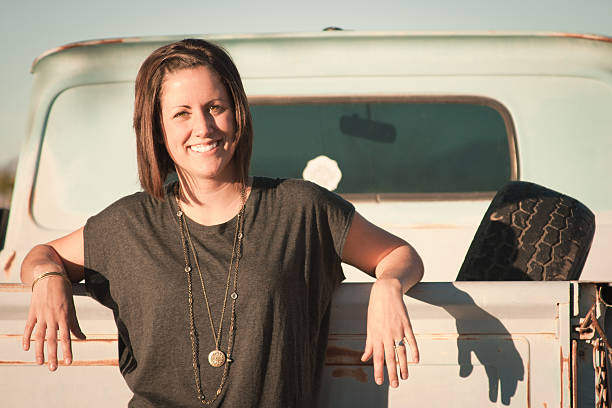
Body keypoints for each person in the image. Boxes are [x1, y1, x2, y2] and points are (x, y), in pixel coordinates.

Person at [20, 38, 423, 407]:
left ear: (237, 113)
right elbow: (43, 254)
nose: (204, 128)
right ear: (157, 129)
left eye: (216, 107)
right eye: (181, 113)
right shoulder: (126, 224)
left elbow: (398, 254)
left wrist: (389, 285)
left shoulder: (302, 208)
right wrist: (47, 278)